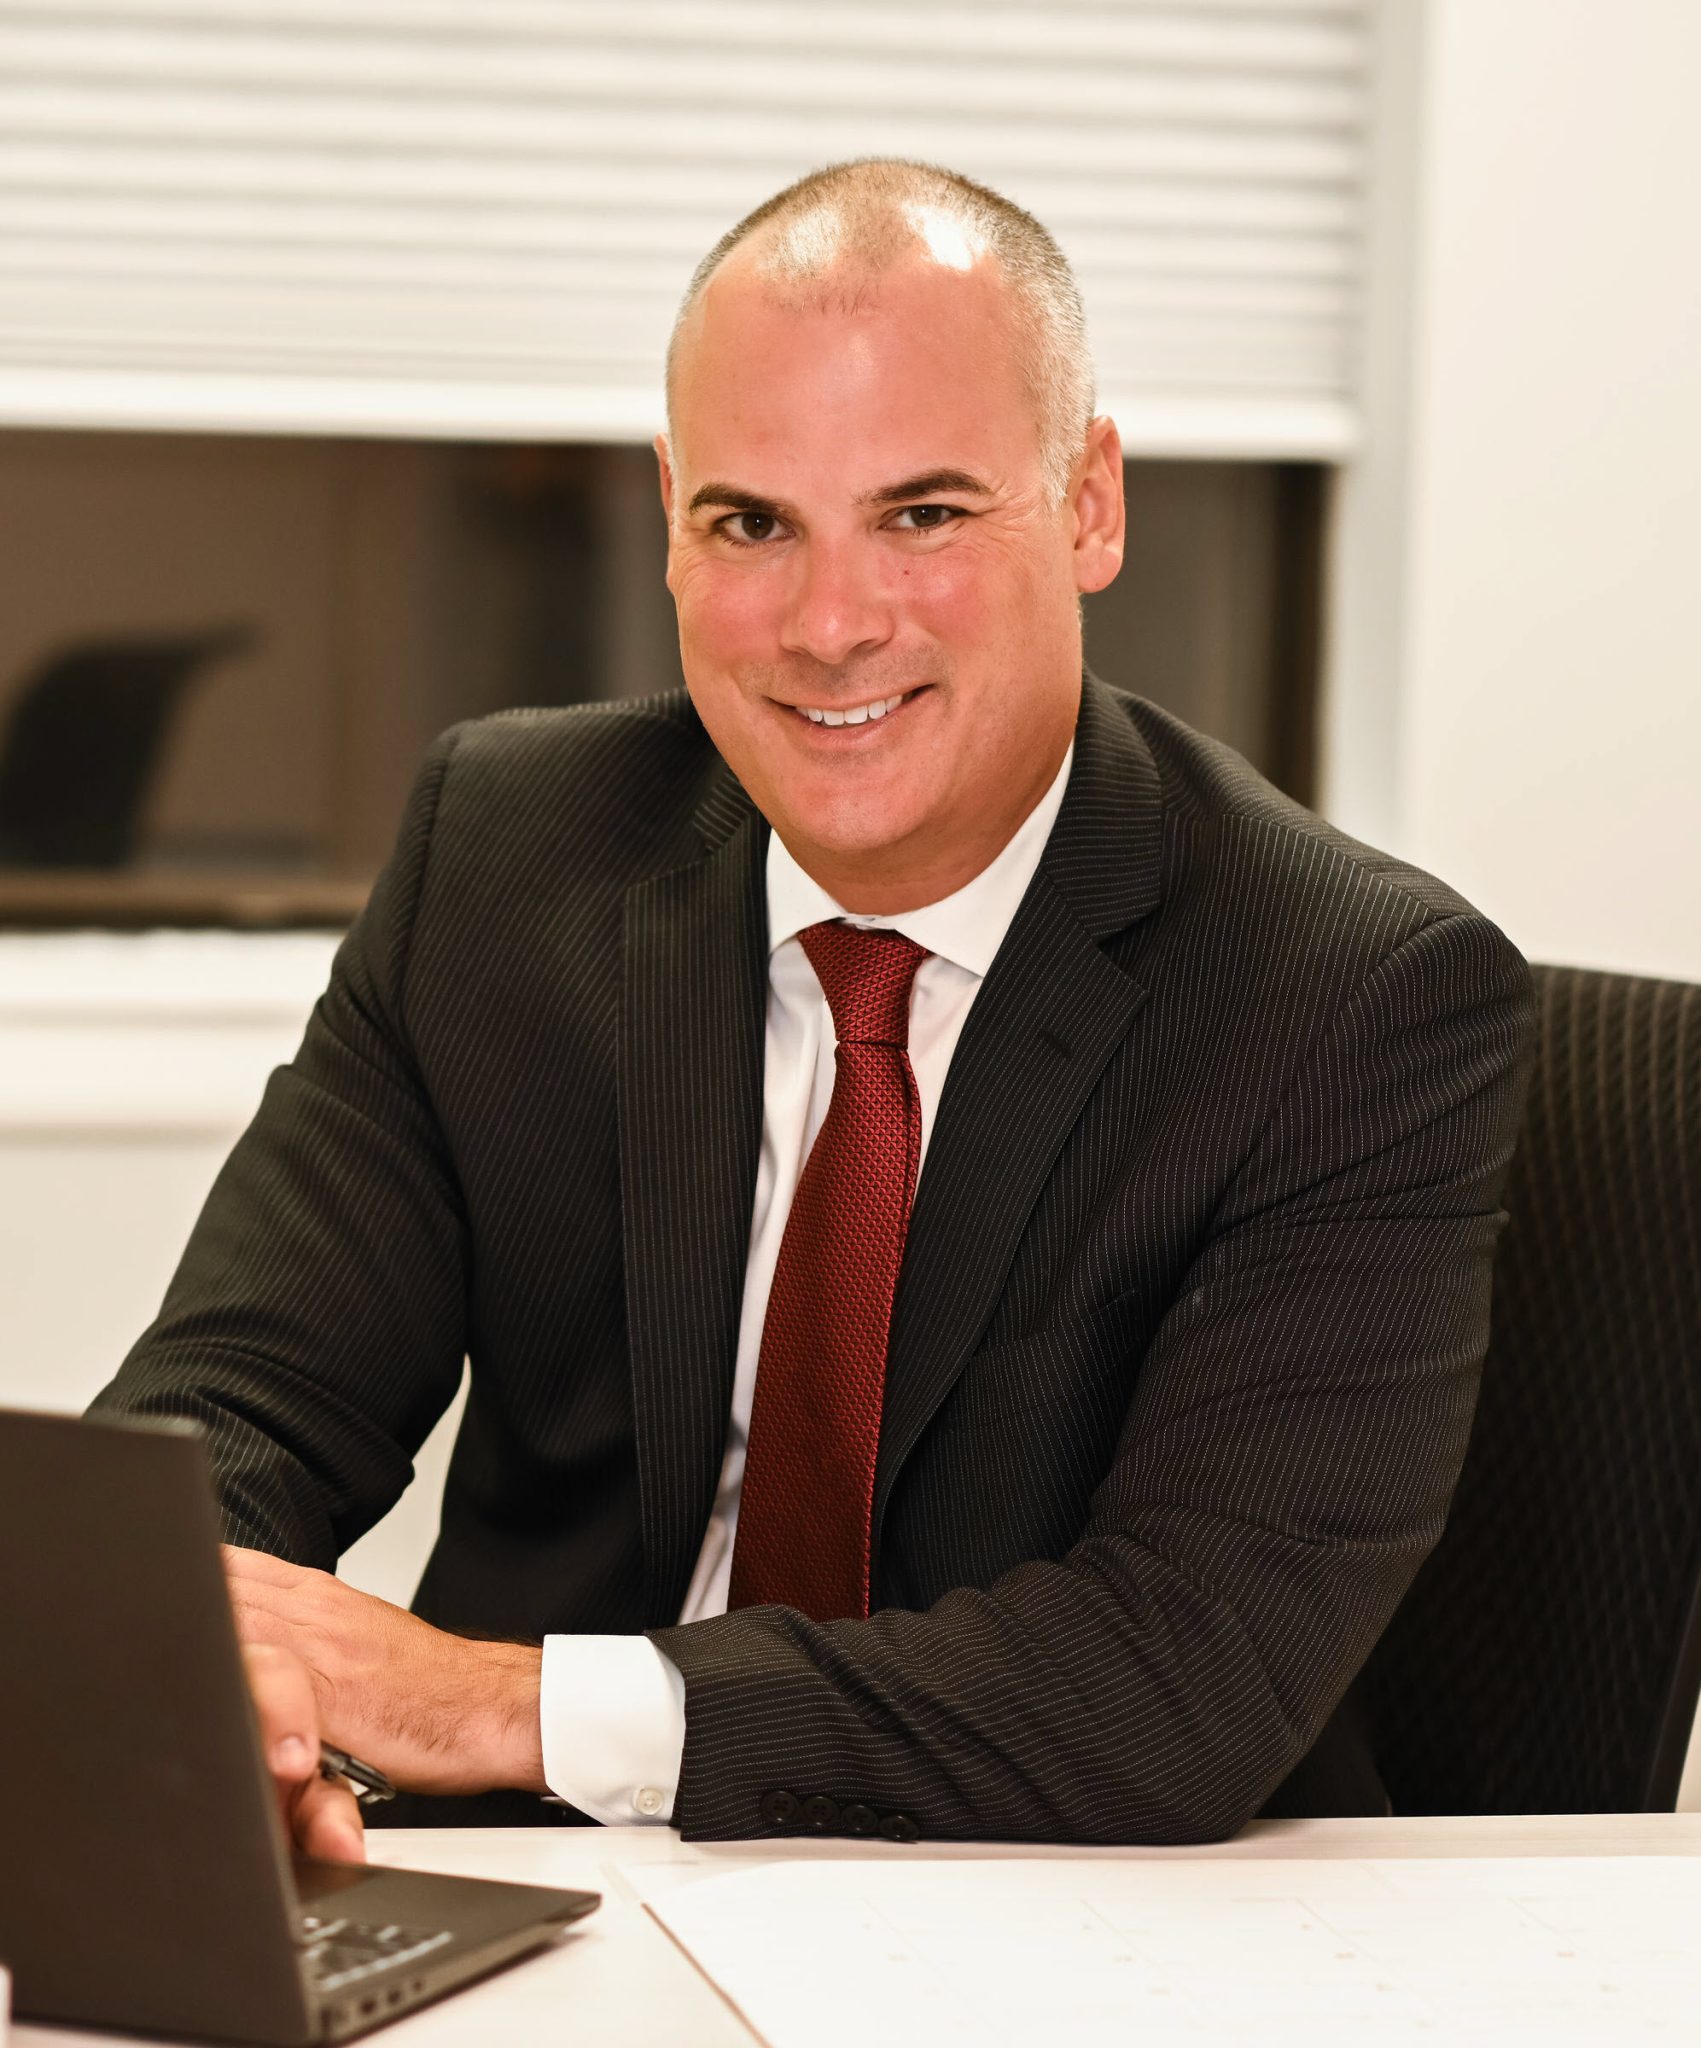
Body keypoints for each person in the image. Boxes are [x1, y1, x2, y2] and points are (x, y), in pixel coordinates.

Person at [93, 160, 1534, 1861]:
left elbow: (1178, 1677)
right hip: (550, 1903)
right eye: (750, 523)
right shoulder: (503, 849)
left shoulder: (1348, 1000)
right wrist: (209, 1682)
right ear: (669, 521)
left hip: (1063, 1929)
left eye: (922, 515)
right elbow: (238, 1409)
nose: (828, 625)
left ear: (1087, 504)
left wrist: (493, 1705)